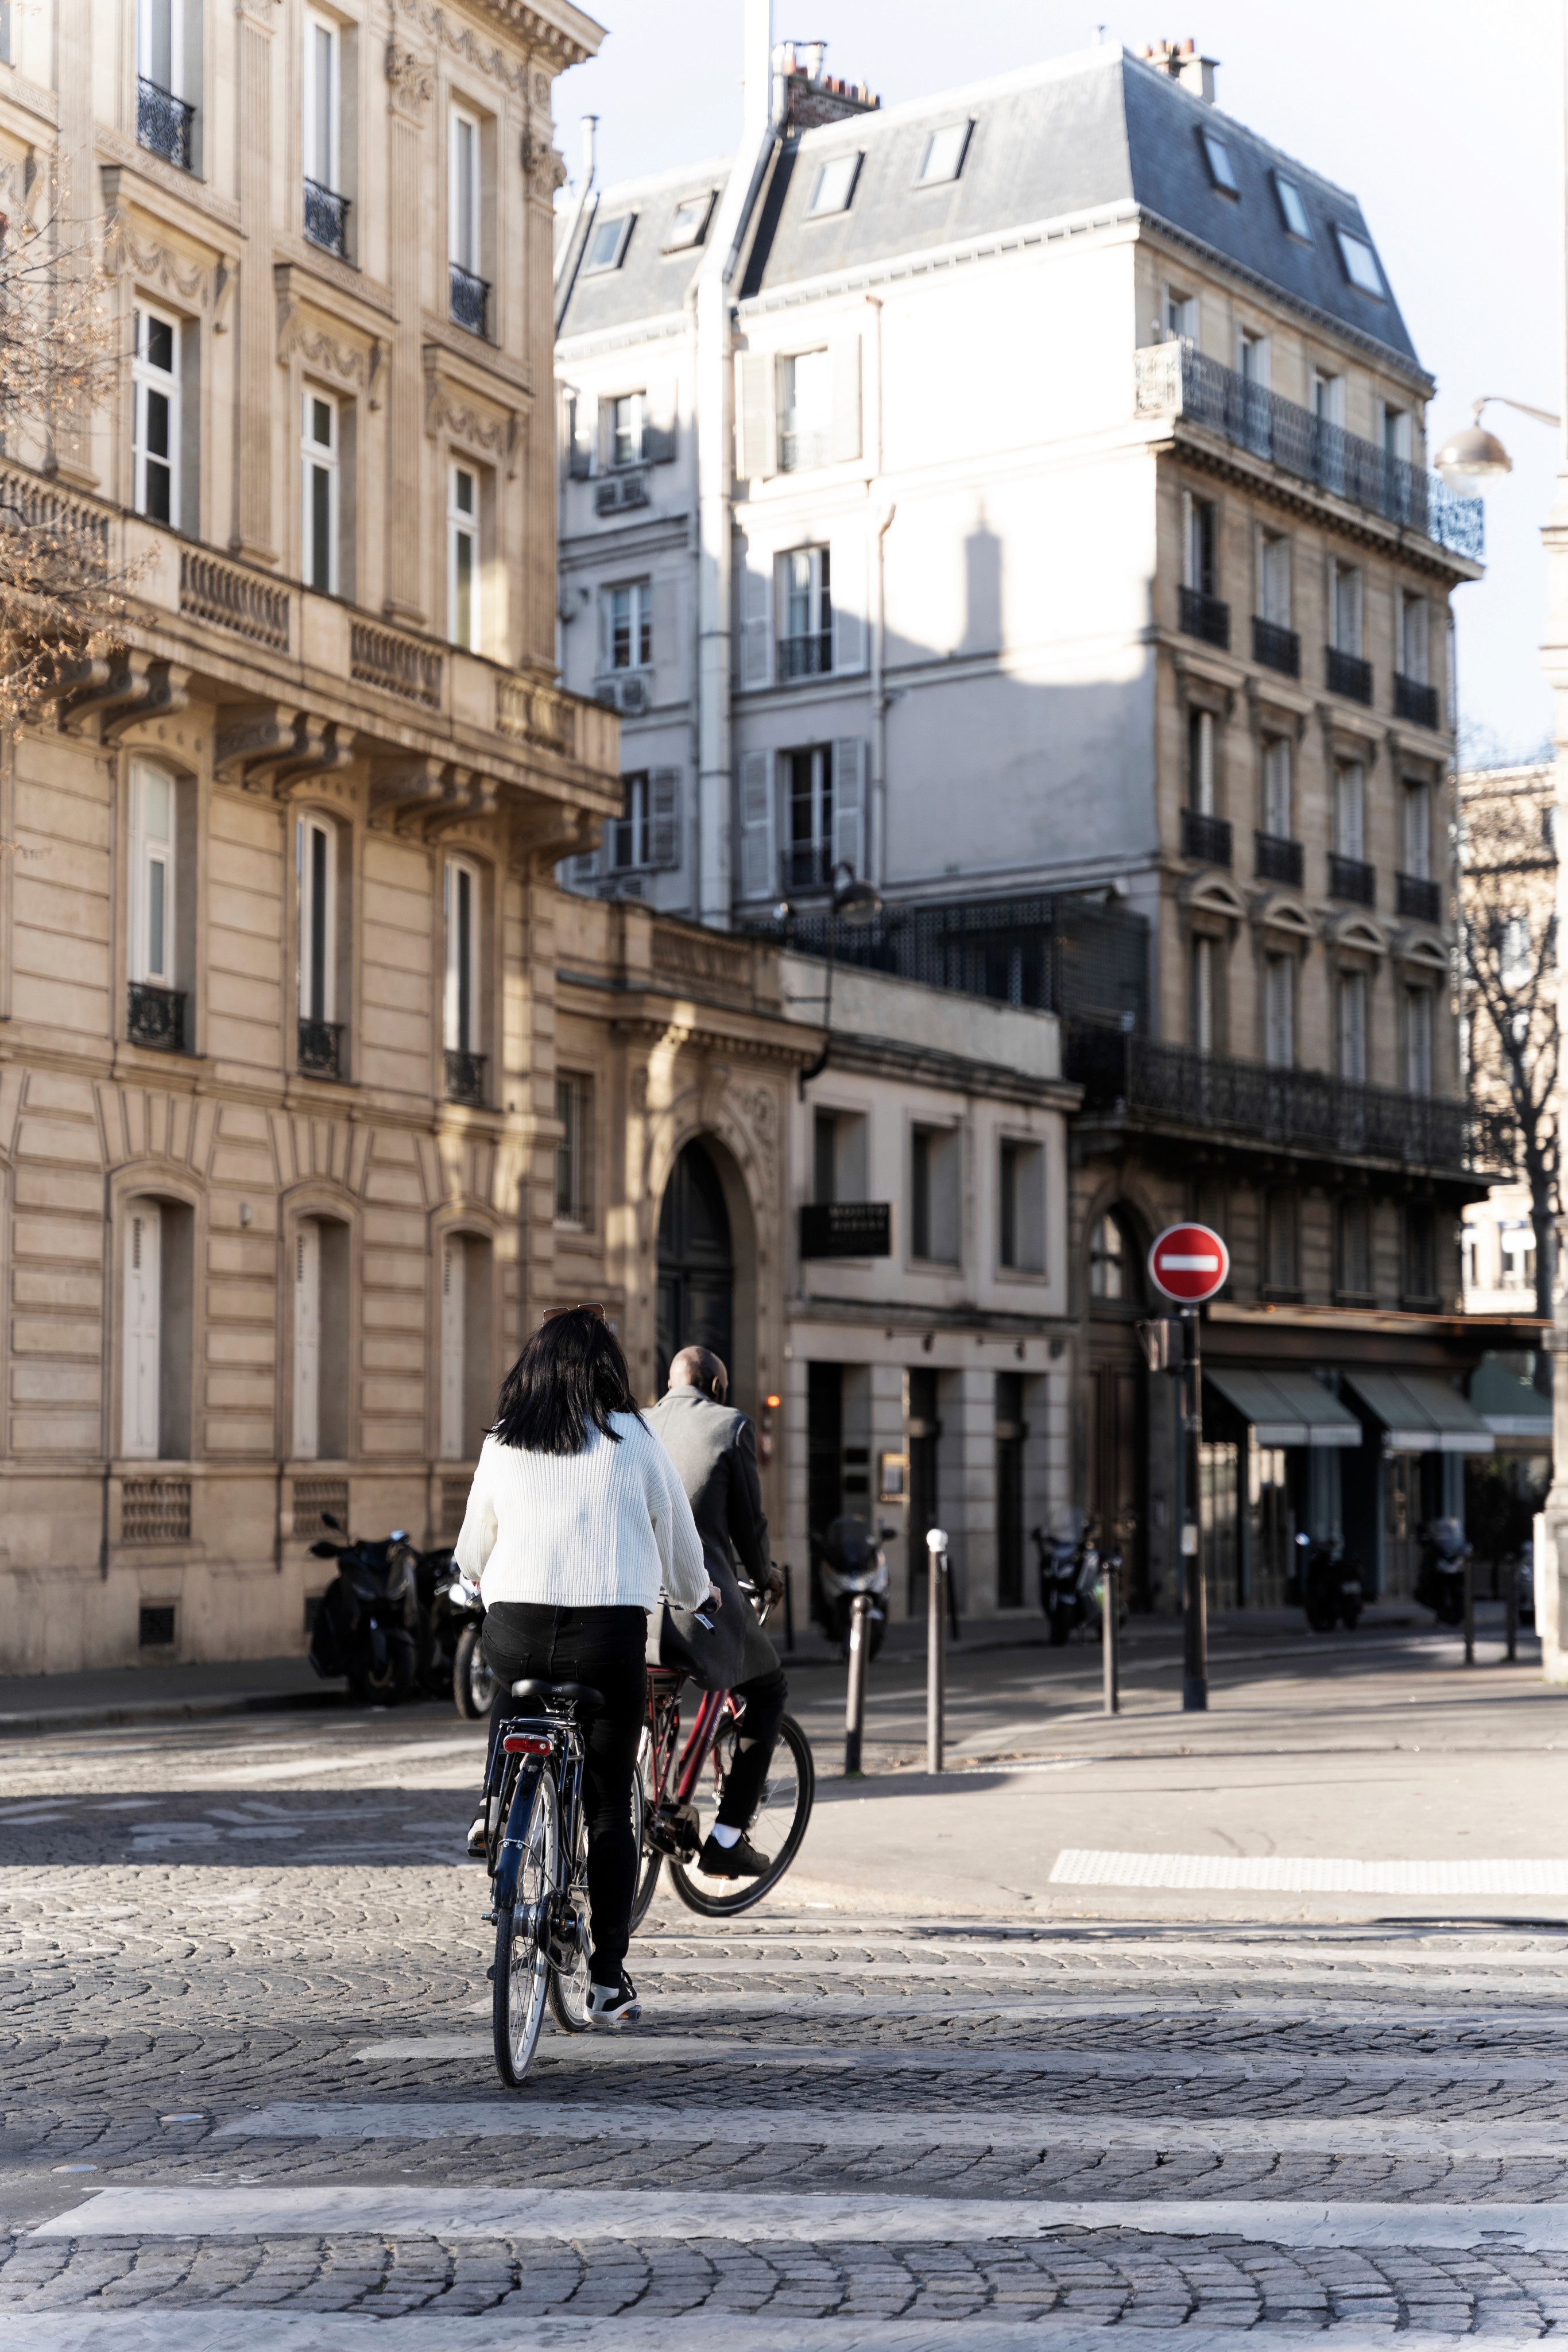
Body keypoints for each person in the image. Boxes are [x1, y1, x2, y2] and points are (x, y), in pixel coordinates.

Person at [454, 1305, 713, 2026]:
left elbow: (474, 1546)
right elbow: (678, 1535)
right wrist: (700, 1595)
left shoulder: (505, 1441)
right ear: (608, 1368)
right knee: (607, 1807)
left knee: (513, 1685)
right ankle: (606, 1979)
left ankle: (494, 1805)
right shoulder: (633, 1438)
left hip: (516, 1633)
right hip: (607, 1639)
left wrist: (470, 1578)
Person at [645, 1345, 789, 1879]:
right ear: (717, 1387)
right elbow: (748, 1526)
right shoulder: (731, 1427)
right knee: (767, 1690)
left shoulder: (636, 1424)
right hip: (696, 1607)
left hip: (629, 1607)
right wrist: (767, 1574)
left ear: (669, 1383)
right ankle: (727, 1838)